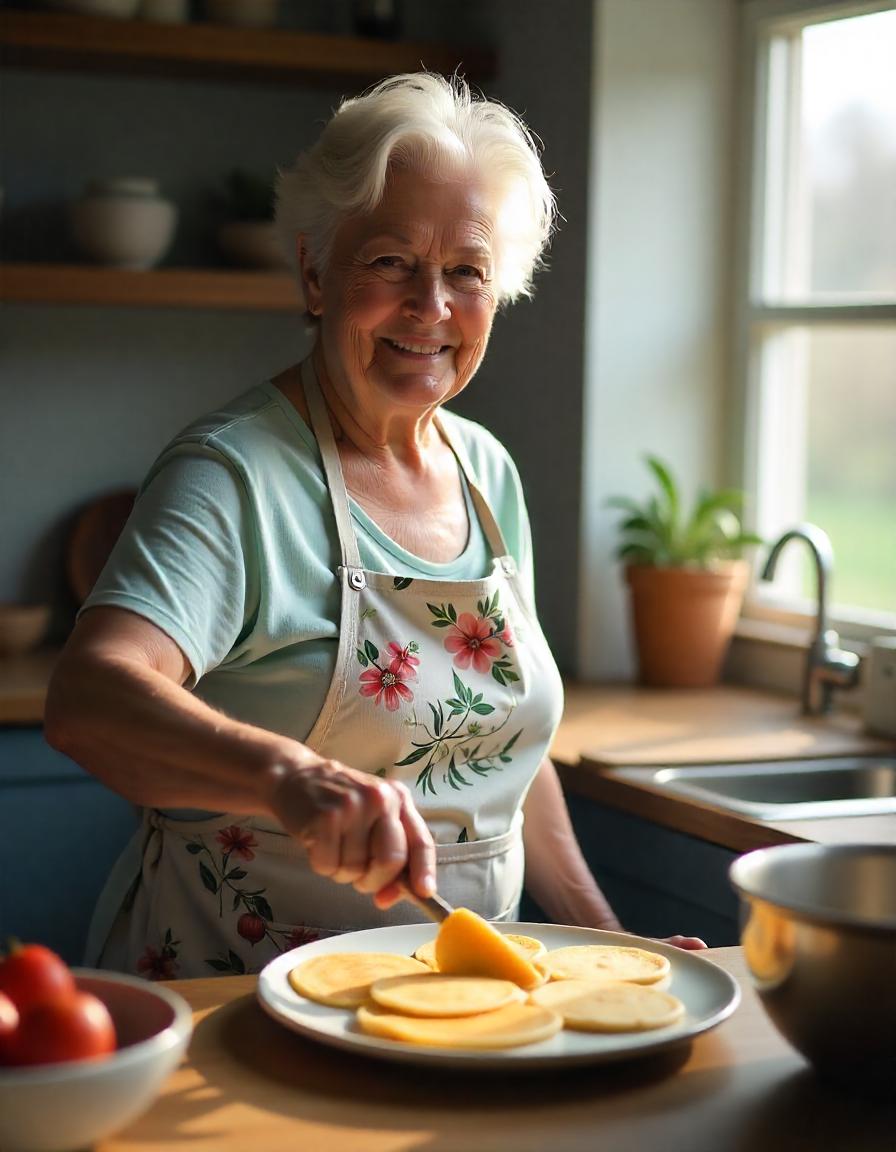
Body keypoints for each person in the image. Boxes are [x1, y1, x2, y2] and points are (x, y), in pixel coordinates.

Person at [45, 73, 704, 980]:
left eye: (466, 271)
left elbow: (508, 752)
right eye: (391, 261)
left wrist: (607, 940)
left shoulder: (488, 474)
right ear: (317, 271)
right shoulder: (236, 476)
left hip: (451, 1012)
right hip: (232, 1012)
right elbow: (88, 699)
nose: (431, 307)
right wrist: (289, 778)